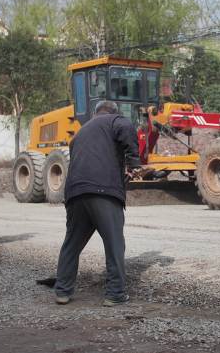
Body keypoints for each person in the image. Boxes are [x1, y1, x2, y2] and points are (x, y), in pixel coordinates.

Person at [54, 100, 140, 306]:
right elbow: (126, 127)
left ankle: (62, 291)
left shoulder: (80, 133)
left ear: (94, 113)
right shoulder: (114, 121)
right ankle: (115, 293)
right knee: (114, 244)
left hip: (75, 194)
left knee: (71, 245)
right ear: (113, 112)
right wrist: (133, 162)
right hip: (103, 191)